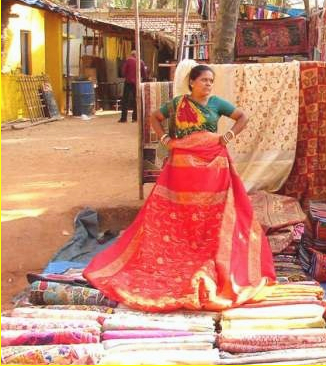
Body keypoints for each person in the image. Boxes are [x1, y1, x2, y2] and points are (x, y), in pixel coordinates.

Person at [84, 64, 275, 311]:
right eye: (204, 80)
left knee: (211, 212)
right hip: (182, 165)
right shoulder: (177, 104)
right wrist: (165, 139)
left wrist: (227, 137)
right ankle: (181, 248)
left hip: (212, 165)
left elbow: (243, 117)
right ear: (192, 82)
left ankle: (207, 250)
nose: (208, 84)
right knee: (179, 210)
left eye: (211, 81)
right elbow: (154, 117)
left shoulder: (216, 103)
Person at [119, 50, 147, 123]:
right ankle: (135, 118)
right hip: (136, 83)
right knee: (136, 100)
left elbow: (123, 72)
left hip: (128, 82)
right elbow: (144, 74)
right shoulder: (141, 62)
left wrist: (127, 75)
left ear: (132, 55)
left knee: (125, 100)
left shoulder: (128, 60)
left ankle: (123, 118)